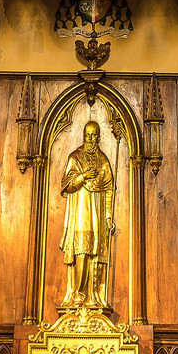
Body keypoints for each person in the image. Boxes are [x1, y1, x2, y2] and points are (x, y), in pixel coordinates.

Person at [59, 118, 116, 311]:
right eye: (87, 135)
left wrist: (108, 216)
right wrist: (83, 177)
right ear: (83, 136)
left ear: (99, 137)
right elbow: (66, 185)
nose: (90, 139)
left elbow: (109, 187)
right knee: (81, 251)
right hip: (81, 211)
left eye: (94, 135)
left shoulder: (103, 160)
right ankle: (77, 294)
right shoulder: (75, 157)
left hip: (97, 214)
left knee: (95, 253)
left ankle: (94, 296)